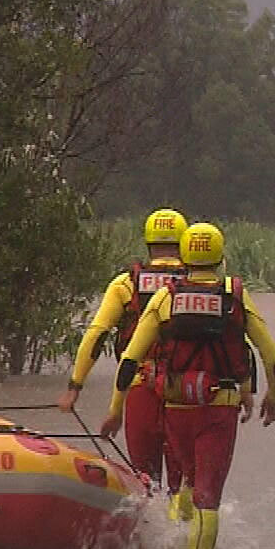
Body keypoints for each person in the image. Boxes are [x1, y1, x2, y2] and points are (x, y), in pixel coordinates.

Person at [100, 221, 275, 549]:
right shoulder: (234, 295)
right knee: (207, 496)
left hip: (175, 407)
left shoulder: (166, 296)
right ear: (221, 256)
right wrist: (272, 397)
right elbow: (272, 356)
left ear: (185, 255)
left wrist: (115, 411)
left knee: (184, 483)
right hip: (218, 409)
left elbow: (129, 360)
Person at [60, 208, 191, 490]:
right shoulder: (199, 287)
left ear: (148, 243)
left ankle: (149, 532)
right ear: (183, 243)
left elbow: (96, 336)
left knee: (145, 481)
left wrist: (75, 386)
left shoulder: (126, 284)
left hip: (139, 387)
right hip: (187, 392)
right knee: (184, 485)